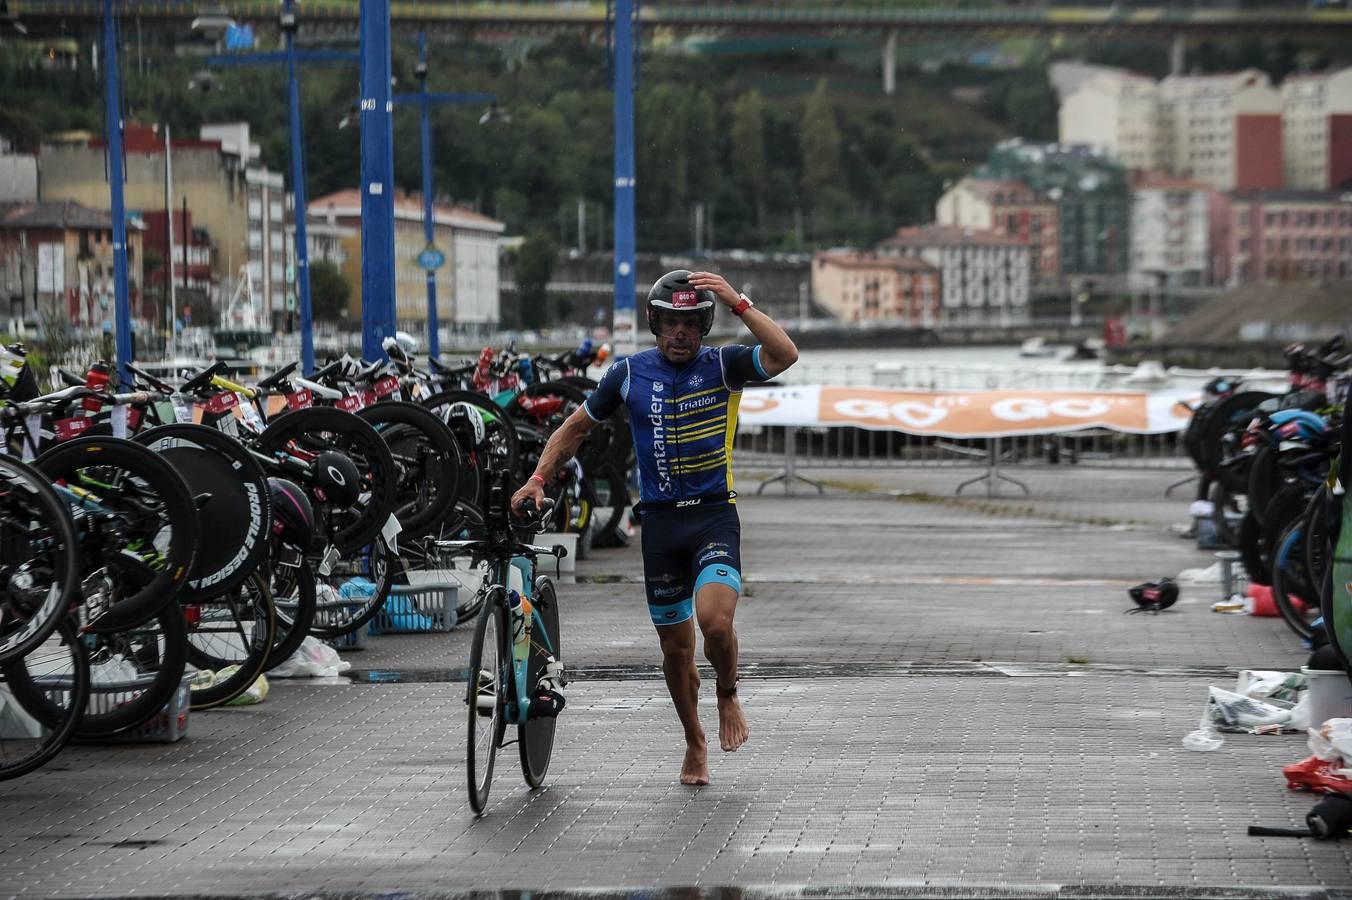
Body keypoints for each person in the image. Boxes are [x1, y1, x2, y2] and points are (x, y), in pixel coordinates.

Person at [511, 269, 798, 785]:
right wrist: (538, 478)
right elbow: (575, 428)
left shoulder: (724, 365)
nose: (680, 333)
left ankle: (728, 692)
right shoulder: (627, 373)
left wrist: (739, 302)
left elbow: (784, 354)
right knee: (675, 649)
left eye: (690, 323)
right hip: (661, 528)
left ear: (704, 324)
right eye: (670, 324)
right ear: (655, 325)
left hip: (712, 515)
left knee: (714, 622)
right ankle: (694, 741)